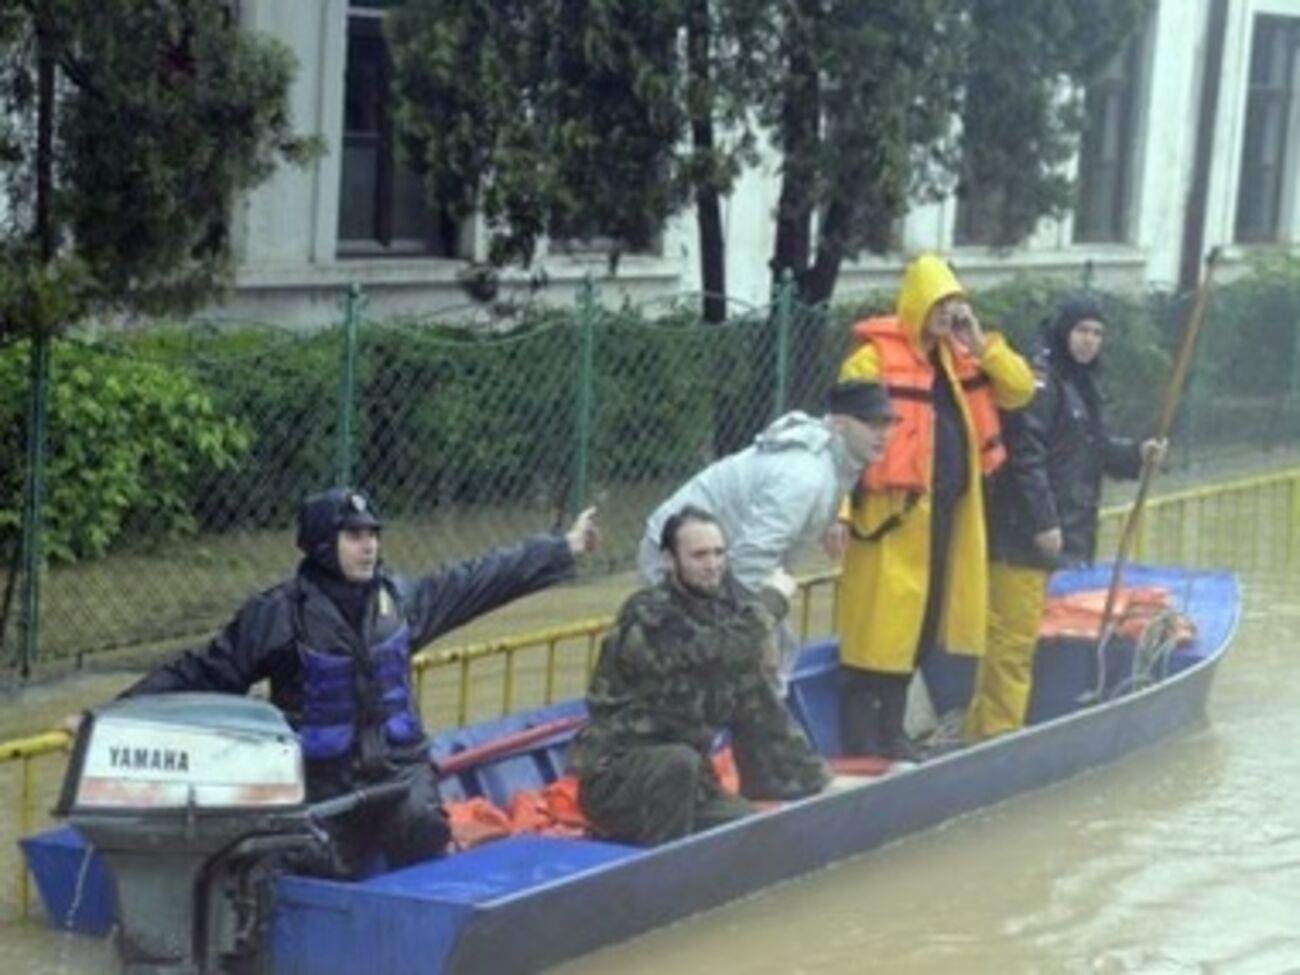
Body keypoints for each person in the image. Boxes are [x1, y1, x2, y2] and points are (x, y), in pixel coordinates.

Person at [107, 486, 599, 878]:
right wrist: (110, 719)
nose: (370, 545)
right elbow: (202, 672)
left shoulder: (401, 601)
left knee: (423, 825)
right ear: (324, 544)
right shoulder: (278, 616)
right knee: (311, 860)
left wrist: (564, 547)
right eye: (354, 536)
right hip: (322, 787)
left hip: (397, 778)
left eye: (373, 534)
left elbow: (483, 578)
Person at [827, 254, 1034, 759]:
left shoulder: (959, 358)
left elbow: (1019, 390)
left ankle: (892, 736)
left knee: (918, 633)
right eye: (939, 303)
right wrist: (841, 514)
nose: (947, 313)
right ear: (918, 303)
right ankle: (861, 743)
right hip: (886, 523)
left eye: (954, 302)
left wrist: (979, 342)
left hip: (943, 521)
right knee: (872, 639)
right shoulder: (870, 362)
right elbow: (839, 444)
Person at [964, 295, 1167, 741]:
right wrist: (1044, 522)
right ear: (1063, 331)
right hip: (1020, 534)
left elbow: (1085, 449)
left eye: (1097, 333)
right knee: (1012, 643)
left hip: (1041, 533)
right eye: (1081, 331)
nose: (1089, 341)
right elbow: (1025, 456)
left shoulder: (1079, 383)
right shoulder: (1043, 381)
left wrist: (1135, 455)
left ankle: (985, 731)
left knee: (1012, 640)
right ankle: (997, 738)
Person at [572, 506, 831, 846]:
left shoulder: (722, 609)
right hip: (619, 780)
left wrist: (815, 783)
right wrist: (771, 603)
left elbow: (758, 701)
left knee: (756, 838)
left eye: (718, 553)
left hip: (691, 778)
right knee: (677, 761)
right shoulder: (649, 613)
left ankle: (787, 782)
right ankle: (662, 871)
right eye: (699, 555)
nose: (712, 565)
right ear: (668, 559)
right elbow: (712, 650)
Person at [636, 380, 897, 675]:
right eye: (871, 423)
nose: (883, 434)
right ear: (839, 424)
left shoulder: (835, 462)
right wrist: (760, 627)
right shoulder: (805, 476)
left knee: (772, 657)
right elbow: (751, 557)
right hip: (678, 554)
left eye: (889, 423)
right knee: (722, 661)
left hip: (726, 554)